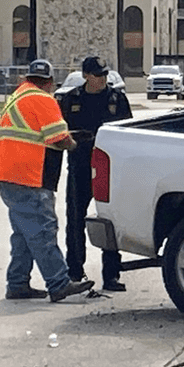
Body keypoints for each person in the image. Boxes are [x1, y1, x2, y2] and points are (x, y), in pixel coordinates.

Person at [0, 59, 94, 302]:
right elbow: (59, 139)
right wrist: (76, 144)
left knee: (24, 233)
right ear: (49, 82)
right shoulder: (43, 99)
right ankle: (58, 283)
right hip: (27, 175)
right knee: (43, 230)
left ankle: (17, 284)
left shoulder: (17, 96)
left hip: (7, 174)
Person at [57, 56, 132, 291]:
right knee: (75, 219)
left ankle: (111, 275)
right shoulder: (71, 100)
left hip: (108, 167)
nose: (102, 79)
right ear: (86, 76)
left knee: (109, 219)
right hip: (79, 165)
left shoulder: (116, 99)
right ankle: (75, 272)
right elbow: (59, 132)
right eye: (97, 75)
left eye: (104, 74)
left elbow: (128, 133)